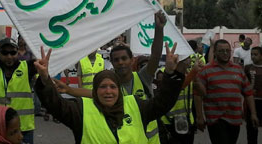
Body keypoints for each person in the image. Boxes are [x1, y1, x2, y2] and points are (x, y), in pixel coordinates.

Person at [35, 42, 186, 143]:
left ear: (118, 90)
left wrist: (170, 73)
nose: (108, 91)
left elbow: (163, 102)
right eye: (102, 87)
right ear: (95, 91)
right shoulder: (81, 111)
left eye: (113, 87)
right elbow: (55, 105)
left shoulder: (136, 106)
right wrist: (44, 79)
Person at [53, 11, 167, 143]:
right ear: (112, 62)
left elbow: (155, 55)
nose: (121, 62)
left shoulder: (143, 77)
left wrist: (159, 29)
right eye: (116, 60)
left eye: (124, 58)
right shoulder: (111, 84)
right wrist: (68, 90)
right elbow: (91, 93)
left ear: (132, 60)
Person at [195, 39, 259, 144]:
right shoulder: (206, 70)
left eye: (227, 51)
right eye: (221, 51)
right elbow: (197, 95)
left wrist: (253, 114)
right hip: (216, 119)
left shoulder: (238, 70)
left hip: (235, 118)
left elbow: (248, 93)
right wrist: (199, 117)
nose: (225, 53)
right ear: (214, 52)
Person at [244, 46, 262, 144]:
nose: (253, 56)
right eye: (251, 54)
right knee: (251, 129)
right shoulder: (247, 68)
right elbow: (243, 84)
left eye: (256, 54)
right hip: (252, 102)